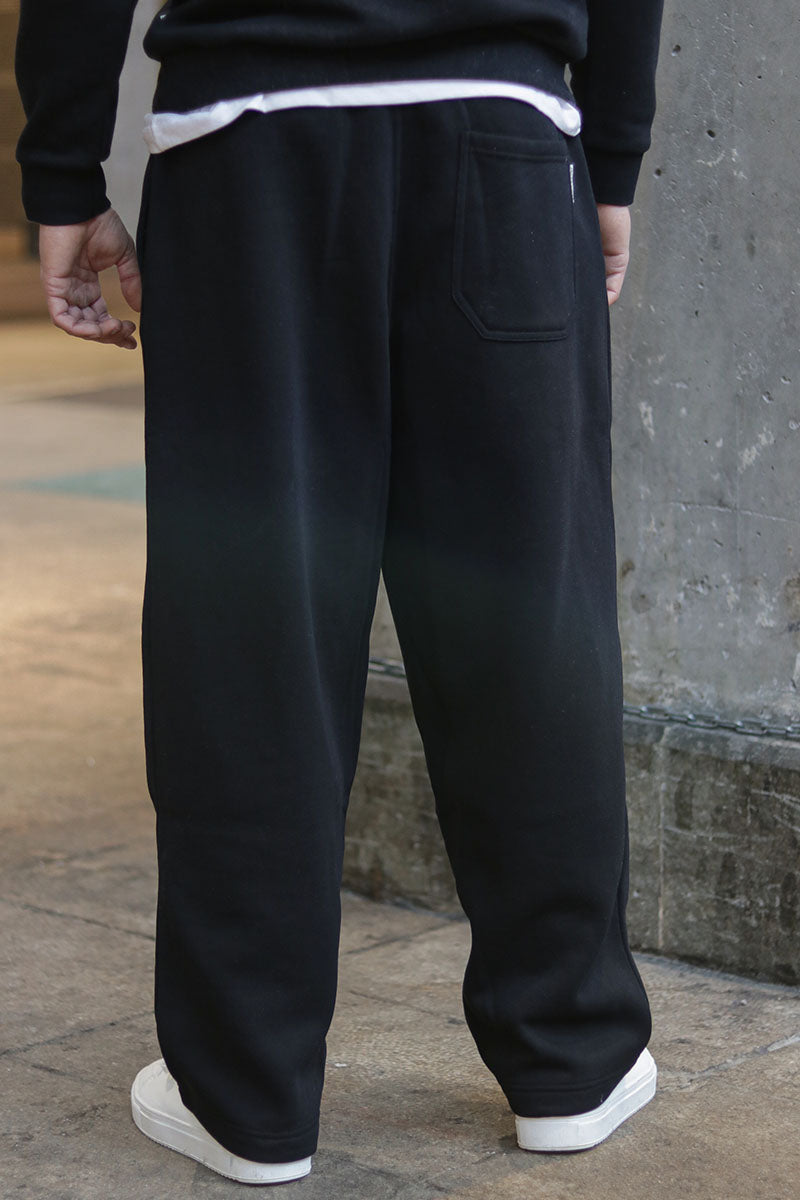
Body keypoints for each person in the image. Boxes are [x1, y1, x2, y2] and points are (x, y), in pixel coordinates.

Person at [15, 0, 666, 1186]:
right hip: (503, 128)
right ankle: (570, 1055)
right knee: (528, 613)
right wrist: (609, 154)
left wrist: (63, 167)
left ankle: (245, 1089)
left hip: (249, 144)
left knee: (248, 623)